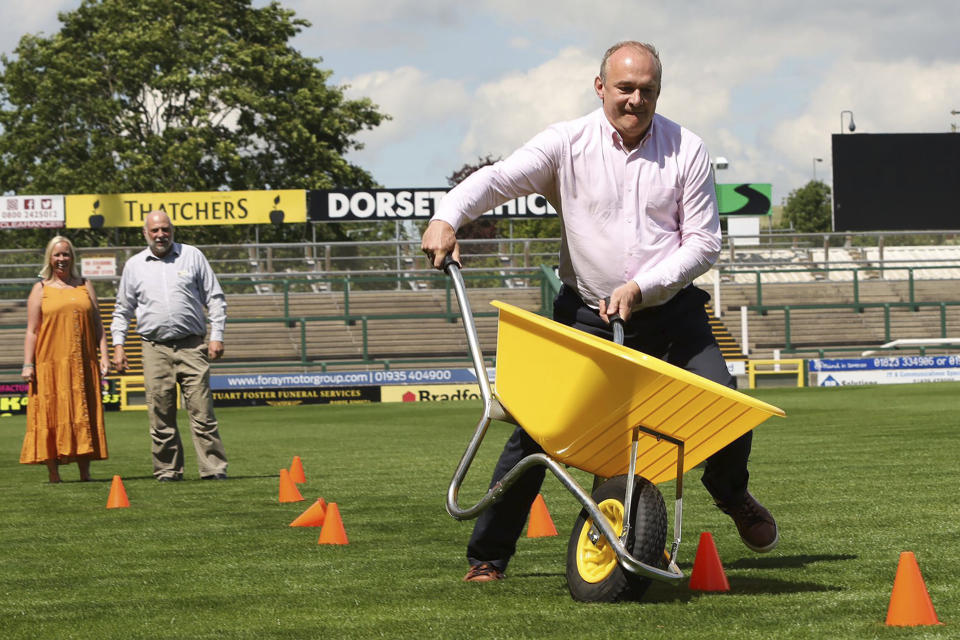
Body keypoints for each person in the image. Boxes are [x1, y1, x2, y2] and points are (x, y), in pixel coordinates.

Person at [421, 41, 778, 583]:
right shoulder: (566, 143)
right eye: (625, 88)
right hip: (584, 314)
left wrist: (641, 285)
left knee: (724, 402)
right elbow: (497, 179)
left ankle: (730, 493)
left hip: (671, 315)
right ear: (600, 87)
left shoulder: (687, 148)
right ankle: (488, 556)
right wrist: (448, 217)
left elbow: (704, 243)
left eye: (647, 91)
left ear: (659, 91)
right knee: (534, 431)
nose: (635, 100)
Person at [111, 210, 229, 482]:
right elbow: (122, 310)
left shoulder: (193, 256)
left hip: (192, 345)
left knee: (202, 412)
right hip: (155, 348)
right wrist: (118, 346)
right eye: (155, 230)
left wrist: (217, 335)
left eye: (165, 229)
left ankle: (213, 469)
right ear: (145, 233)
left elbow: (215, 297)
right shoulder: (134, 265)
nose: (161, 235)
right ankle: (167, 470)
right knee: (160, 413)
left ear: (172, 231)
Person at [20, 236, 110, 483]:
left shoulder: (84, 285)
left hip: (83, 362)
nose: (62, 259)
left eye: (66, 254)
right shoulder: (40, 289)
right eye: (57, 254)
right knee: (50, 413)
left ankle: (85, 473)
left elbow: (98, 323)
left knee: (84, 412)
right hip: (49, 363)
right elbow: (32, 330)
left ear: (73, 257)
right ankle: (54, 474)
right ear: (50, 258)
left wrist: (104, 355)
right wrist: (28, 364)